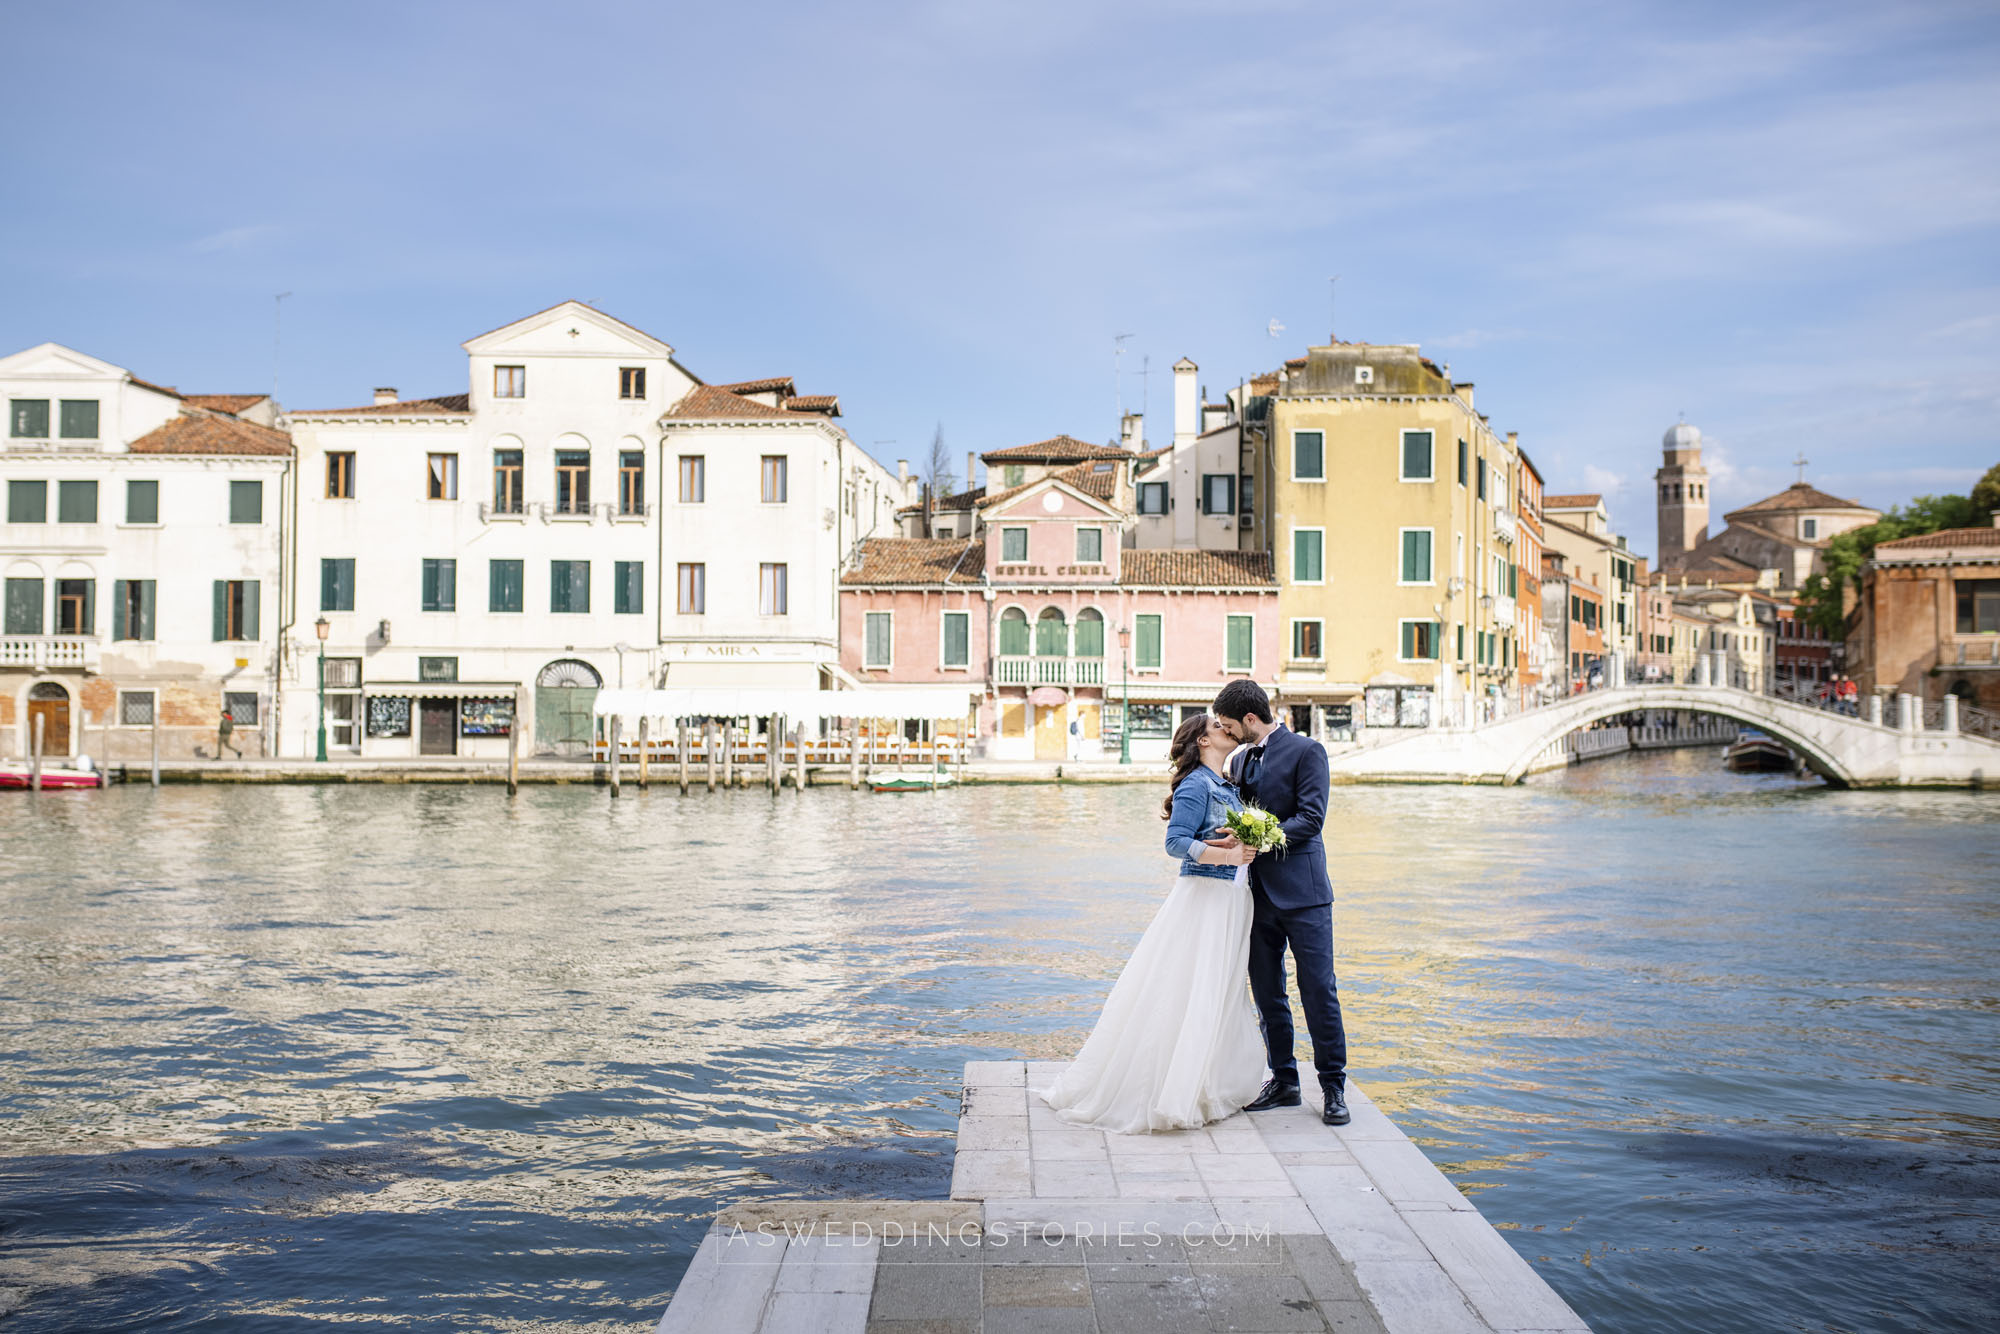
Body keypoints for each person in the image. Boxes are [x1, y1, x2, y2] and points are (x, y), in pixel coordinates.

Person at [1035, 713, 1266, 1133]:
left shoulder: (1228, 784)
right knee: (1192, 988)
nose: (1227, 730)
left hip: (1232, 897)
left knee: (1218, 990)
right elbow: (1175, 843)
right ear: (1202, 741)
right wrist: (1229, 855)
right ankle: (1172, 1087)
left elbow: (1210, 835)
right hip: (1205, 898)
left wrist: (1236, 843)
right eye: (1217, 727)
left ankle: (1207, 1081)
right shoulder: (1196, 784)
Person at [1210, 677, 1352, 1126]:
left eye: (1230, 725)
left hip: (1305, 896)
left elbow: (1311, 819)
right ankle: (1285, 1081)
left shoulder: (1308, 752)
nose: (1227, 732)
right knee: (1268, 994)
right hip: (1255, 895)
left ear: (1251, 718)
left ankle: (1333, 1087)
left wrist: (1257, 836)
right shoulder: (1238, 760)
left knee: (1319, 992)